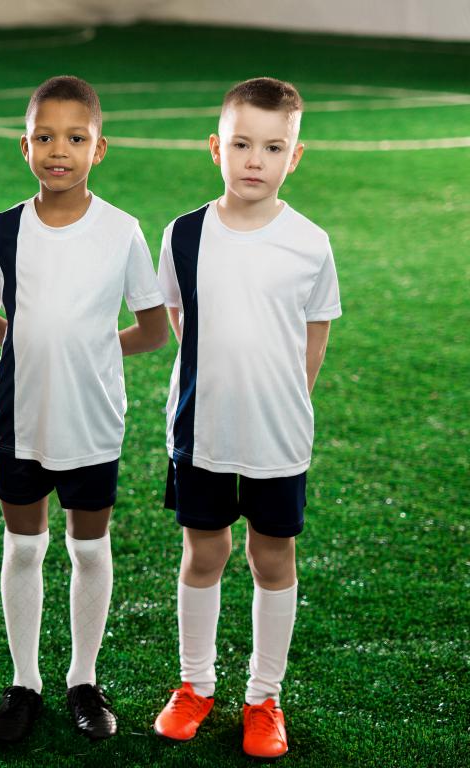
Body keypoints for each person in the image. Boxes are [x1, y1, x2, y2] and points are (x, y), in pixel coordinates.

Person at [0, 75, 168, 743]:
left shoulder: (121, 231)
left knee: (89, 549)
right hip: (20, 417)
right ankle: (25, 681)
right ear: (24, 146)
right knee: (24, 547)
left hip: (92, 419)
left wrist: (92, 349)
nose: (60, 150)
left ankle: (84, 678)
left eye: (75, 138)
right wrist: (24, 339)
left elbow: (153, 326)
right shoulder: (5, 230)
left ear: (98, 149)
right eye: (46, 137)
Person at [152, 77, 341, 760]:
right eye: (241, 144)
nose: (254, 159)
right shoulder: (183, 234)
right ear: (216, 147)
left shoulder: (310, 243)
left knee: (273, 556)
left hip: (277, 434)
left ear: (295, 155)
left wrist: (285, 399)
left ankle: (264, 697)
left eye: (272, 146)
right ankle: (195, 686)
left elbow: (314, 337)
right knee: (203, 554)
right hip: (202, 429)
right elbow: (180, 317)